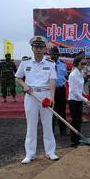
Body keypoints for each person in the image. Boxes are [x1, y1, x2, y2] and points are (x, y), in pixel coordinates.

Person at [15, 36, 58, 164]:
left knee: (47, 125)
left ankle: (50, 152)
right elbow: (18, 77)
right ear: (32, 48)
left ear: (45, 49)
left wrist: (52, 97)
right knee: (31, 125)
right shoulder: (25, 62)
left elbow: (52, 80)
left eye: (41, 47)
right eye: (36, 47)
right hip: (31, 96)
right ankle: (30, 154)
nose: (38, 50)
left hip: (45, 95)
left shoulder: (50, 63)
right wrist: (24, 86)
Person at [68, 55, 90, 148]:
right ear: (77, 64)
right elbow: (74, 91)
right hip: (73, 100)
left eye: (85, 63)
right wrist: (85, 99)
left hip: (79, 99)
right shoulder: (73, 75)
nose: (84, 65)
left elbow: (80, 87)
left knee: (78, 120)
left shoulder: (80, 72)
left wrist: (85, 94)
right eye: (82, 64)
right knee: (75, 120)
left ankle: (78, 139)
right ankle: (74, 141)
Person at [49, 47, 68, 136]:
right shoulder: (46, 64)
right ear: (50, 54)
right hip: (50, 91)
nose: (55, 56)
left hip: (60, 90)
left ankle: (63, 130)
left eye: (57, 54)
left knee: (62, 111)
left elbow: (65, 77)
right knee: (51, 111)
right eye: (54, 54)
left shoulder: (62, 64)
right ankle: (51, 132)